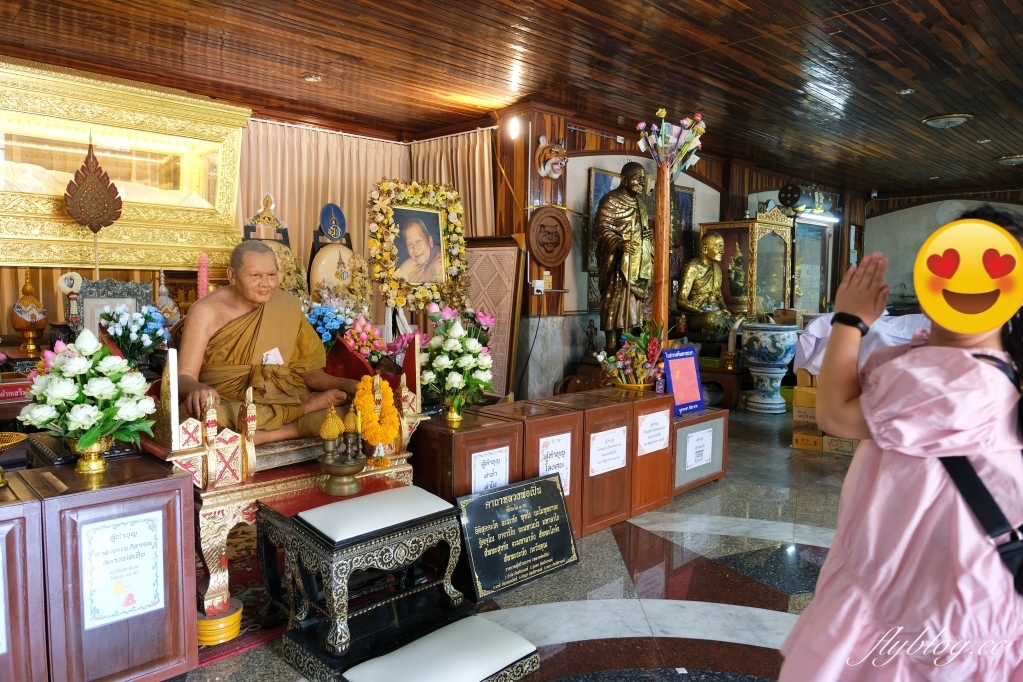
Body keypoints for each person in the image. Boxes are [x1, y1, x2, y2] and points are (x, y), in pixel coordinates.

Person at [780, 205, 1023, 680]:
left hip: (921, 601)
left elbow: (832, 413)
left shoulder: (943, 379)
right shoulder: (996, 366)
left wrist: (849, 319)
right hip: (969, 589)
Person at [175, 240, 359, 445]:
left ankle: (262, 432)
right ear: (232, 276)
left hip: (280, 397)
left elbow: (306, 372)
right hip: (228, 403)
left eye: (271, 275)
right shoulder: (205, 311)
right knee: (203, 418)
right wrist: (196, 388)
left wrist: (345, 384)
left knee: (350, 413)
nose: (266, 284)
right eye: (255, 276)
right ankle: (298, 417)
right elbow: (183, 377)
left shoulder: (285, 306)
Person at [595, 161, 654, 351]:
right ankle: (611, 345)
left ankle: (626, 345)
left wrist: (647, 236)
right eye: (638, 179)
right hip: (617, 265)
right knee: (615, 302)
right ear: (624, 179)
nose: (641, 183)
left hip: (636, 263)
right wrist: (620, 243)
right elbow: (602, 229)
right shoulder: (610, 200)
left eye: (643, 180)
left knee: (631, 307)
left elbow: (641, 228)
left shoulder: (641, 204)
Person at [677, 231, 740, 336]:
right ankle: (730, 327)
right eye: (718, 247)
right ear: (705, 248)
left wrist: (725, 310)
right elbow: (681, 300)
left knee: (744, 318)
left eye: (723, 247)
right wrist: (701, 311)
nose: (722, 251)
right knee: (712, 320)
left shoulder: (717, 269)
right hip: (697, 315)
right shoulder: (692, 268)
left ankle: (731, 326)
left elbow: (718, 296)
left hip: (716, 312)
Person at [395, 218, 444, 283]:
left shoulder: (443, 261)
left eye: (418, 241)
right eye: (410, 244)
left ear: (430, 241)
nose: (415, 249)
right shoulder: (408, 267)